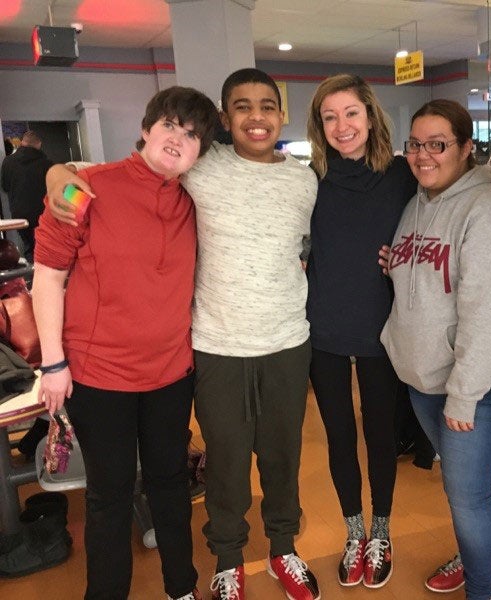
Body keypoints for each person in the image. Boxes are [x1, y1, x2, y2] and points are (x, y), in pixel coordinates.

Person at [45, 68, 320, 600]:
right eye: (242, 106)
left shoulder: (302, 179)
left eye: (268, 106)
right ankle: (228, 560)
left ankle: (284, 549)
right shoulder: (199, 166)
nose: (256, 117)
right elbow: (88, 173)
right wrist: (57, 173)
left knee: (282, 457)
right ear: (225, 118)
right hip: (213, 347)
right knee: (225, 462)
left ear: (281, 115)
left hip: (283, 341)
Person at [31, 86, 218, 600]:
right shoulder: (83, 188)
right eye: (170, 126)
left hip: (171, 375)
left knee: (172, 488)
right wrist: (53, 365)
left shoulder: (194, 201)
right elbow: (46, 277)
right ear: (146, 128)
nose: (178, 140)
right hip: (98, 376)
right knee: (109, 497)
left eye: (192, 134)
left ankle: (182, 588)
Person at [381, 99, 491, 600]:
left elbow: (488, 312)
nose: (424, 155)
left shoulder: (484, 208)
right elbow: (428, 264)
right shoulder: (417, 200)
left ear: (466, 148)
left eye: (438, 144)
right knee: (460, 490)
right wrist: (397, 261)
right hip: (424, 378)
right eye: (416, 144)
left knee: (468, 498)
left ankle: (480, 590)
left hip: (474, 386)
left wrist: (463, 396)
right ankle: (471, 558)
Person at [304, 73, 417, 588]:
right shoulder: (311, 179)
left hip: (382, 326)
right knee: (339, 435)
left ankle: (381, 529)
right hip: (323, 326)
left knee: (379, 433)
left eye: (351, 113)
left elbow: (436, 229)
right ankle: (353, 529)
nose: (342, 125)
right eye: (330, 117)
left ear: (370, 116)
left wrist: (405, 257)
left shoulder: (403, 175)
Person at [1, 130, 53, 260]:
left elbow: (5, 187)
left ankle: (33, 275)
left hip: (20, 215)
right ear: (38, 144)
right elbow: (56, 188)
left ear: (23, 142)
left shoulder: (8, 162)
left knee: (30, 246)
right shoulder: (47, 164)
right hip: (43, 213)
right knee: (47, 247)